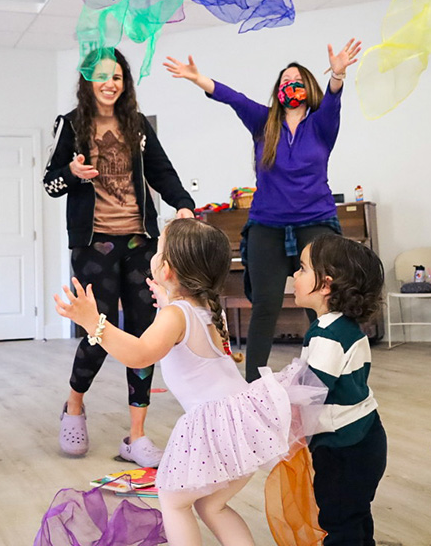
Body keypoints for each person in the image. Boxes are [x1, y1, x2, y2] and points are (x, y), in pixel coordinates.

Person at [55, 218, 295, 546]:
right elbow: (181, 324)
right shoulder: (208, 309)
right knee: (213, 505)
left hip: (216, 428)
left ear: (166, 270)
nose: (152, 256)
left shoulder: (175, 316)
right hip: (243, 423)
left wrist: (94, 323)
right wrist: (168, 298)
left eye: (158, 250)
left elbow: (139, 355)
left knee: (172, 500)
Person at [164, 41, 362, 381]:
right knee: (266, 305)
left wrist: (339, 73)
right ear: (278, 90)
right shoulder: (263, 123)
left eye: (298, 79)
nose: (291, 85)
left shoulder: (321, 124)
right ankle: (252, 386)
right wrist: (199, 79)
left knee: (321, 304)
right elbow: (235, 98)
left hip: (315, 222)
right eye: (285, 80)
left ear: (309, 87)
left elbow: (333, 99)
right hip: (267, 225)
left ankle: (328, 377)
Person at [43, 48, 196, 467]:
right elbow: (51, 184)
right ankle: (74, 404)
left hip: (140, 243)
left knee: (145, 336)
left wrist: (183, 204)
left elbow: (162, 172)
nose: (110, 83)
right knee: (98, 329)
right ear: (88, 80)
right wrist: (73, 173)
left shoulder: (138, 126)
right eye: (102, 76)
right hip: (94, 245)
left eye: (118, 76)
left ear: (125, 83)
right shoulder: (73, 126)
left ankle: (137, 435)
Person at [291, 234, 387, 546]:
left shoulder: (328, 335)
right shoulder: (342, 327)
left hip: (343, 446)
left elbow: (310, 389)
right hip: (364, 436)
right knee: (355, 513)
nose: (294, 274)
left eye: (303, 269)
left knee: (338, 519)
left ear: (326, 285)